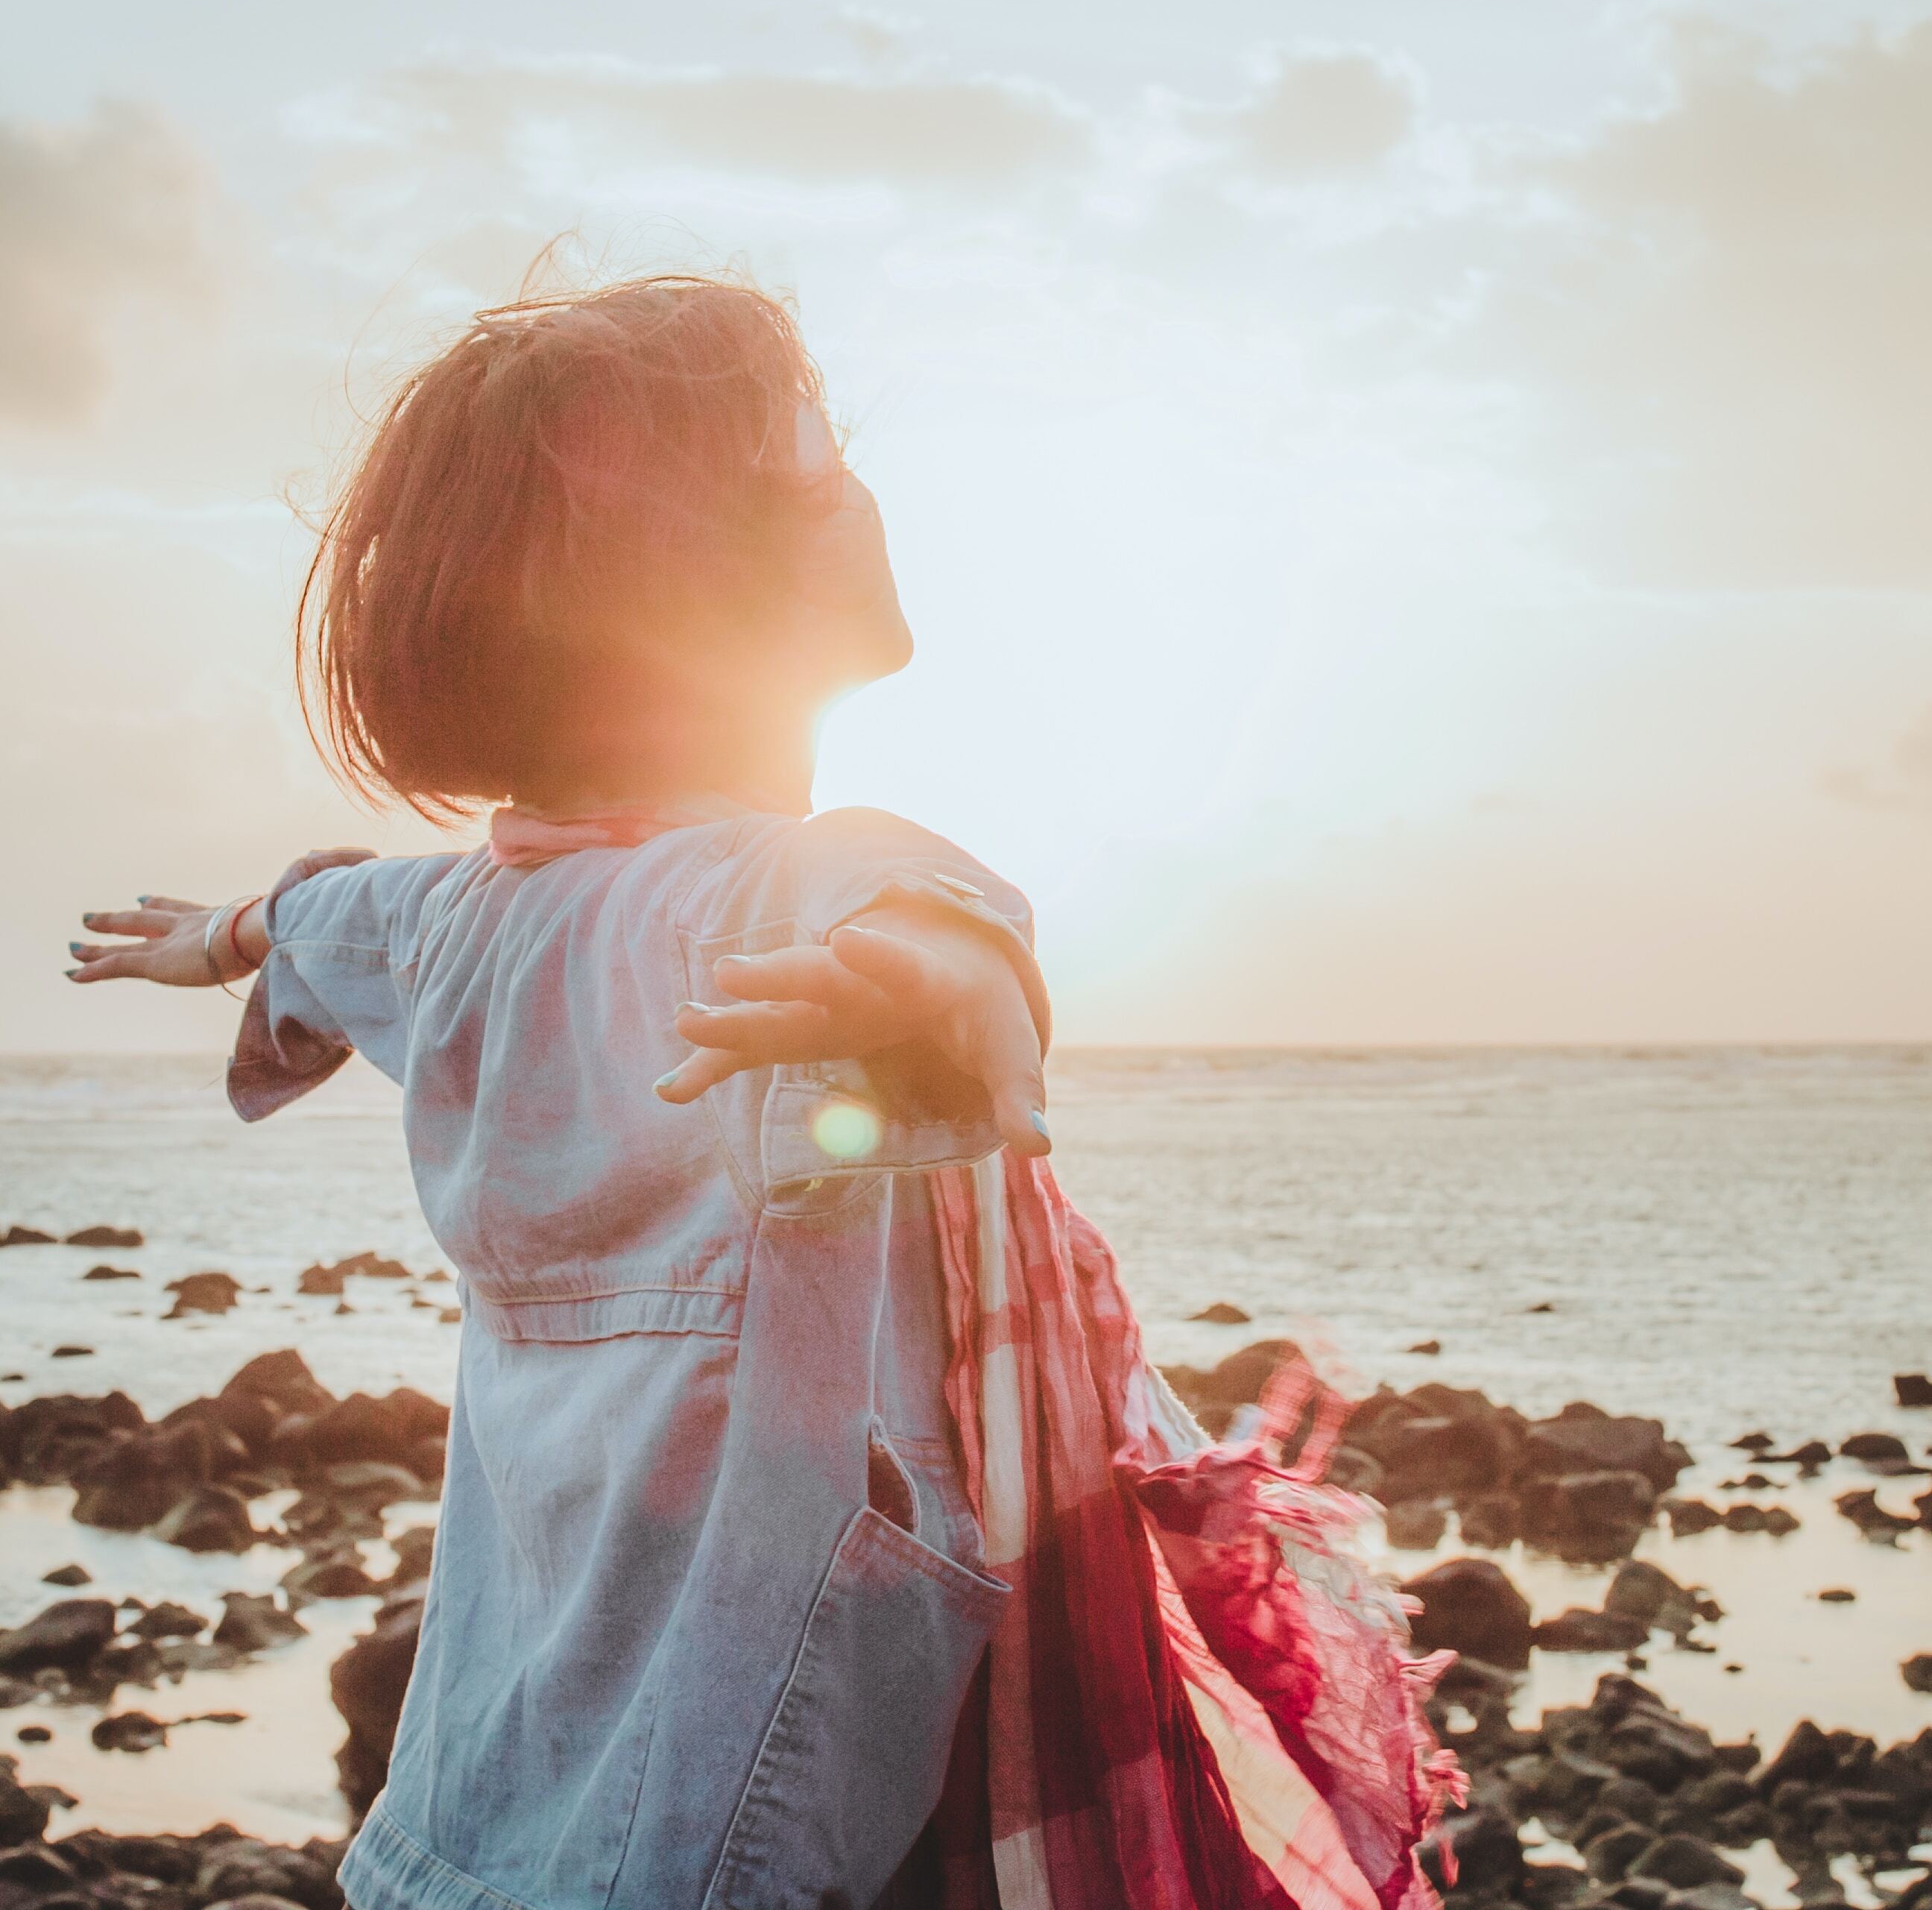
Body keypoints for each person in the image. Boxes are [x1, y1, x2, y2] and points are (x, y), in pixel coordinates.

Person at [71, 274, 1456, 1910]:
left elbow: (331, 916)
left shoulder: (459, 919)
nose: (858, 490)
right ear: (677, 582)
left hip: (500, 1788)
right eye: (812, 466)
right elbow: (933, 926)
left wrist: (227, 934)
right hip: (770, 1793)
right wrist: (924, 989)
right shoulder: (794, 887)